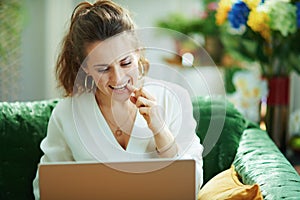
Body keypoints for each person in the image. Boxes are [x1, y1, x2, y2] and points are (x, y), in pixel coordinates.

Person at [33, 0, 204, 198]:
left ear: (137, 53)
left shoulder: (172, 100)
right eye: (103, 68)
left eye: (125, 62)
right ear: (85, 68)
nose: (118, 78)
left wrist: (160, 130)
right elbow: (45, 190)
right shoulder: (66, 114)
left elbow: (192, 184)